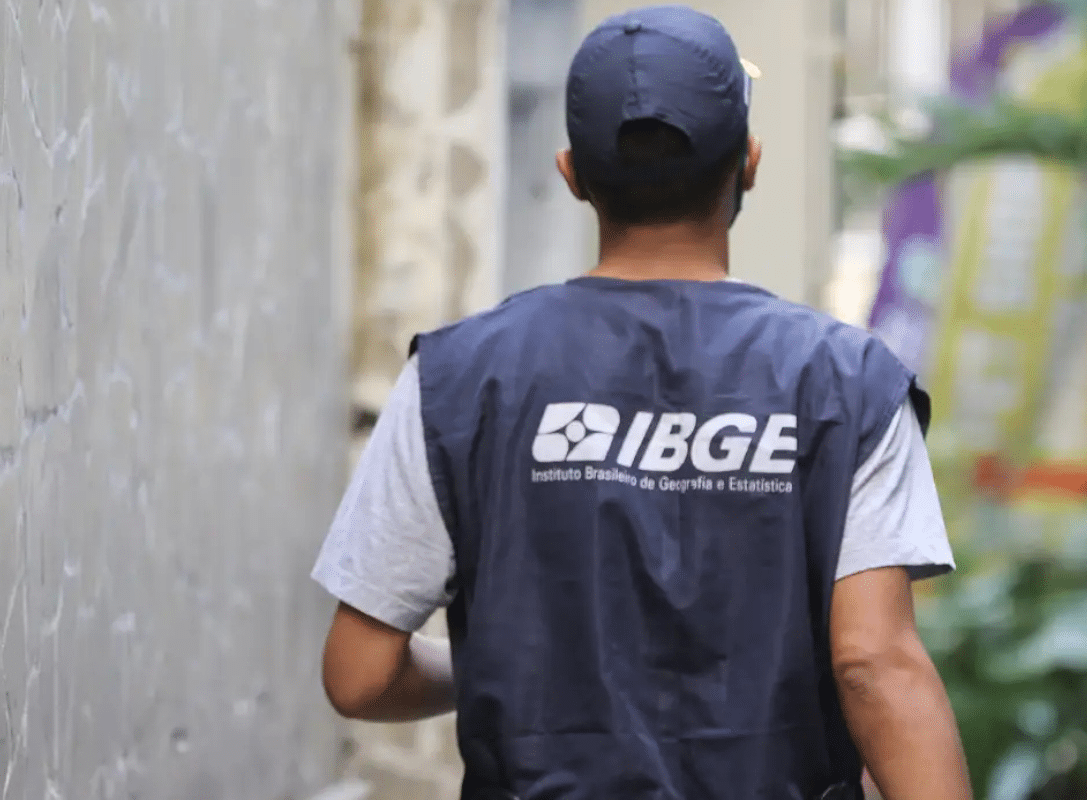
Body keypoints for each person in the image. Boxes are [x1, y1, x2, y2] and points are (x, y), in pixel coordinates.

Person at [313, 5, 973, 799]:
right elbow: (873, 664)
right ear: (749, 163)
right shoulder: (850, 384)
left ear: (571, 175)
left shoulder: (456, 378)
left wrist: (510, 674)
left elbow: (360, 673)